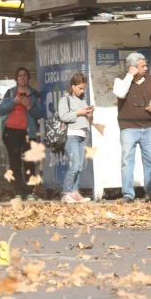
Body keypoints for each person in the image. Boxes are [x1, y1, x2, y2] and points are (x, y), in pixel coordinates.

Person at [113, 52, 151, 204]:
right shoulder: (120, 79)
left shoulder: (149, 79)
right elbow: (120, 93)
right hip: (128, 127)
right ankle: (128, 194)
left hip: (147, 126)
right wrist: (130, 76)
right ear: (133, 67)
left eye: (146, 65)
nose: (146, 68)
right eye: (142, 66)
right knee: (127, 162)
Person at [0, 67, 42, 201]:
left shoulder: (34, 94)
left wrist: (29, 106)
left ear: (28, 78)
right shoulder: (10, 93)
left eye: (25, 76)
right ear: (16, 79)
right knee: (14, 162)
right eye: (20, 76)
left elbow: (39, 113)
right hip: (11, 132)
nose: (22, 78)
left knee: (29, 162)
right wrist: (13, 102)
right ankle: (18, 191)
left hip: (29, 132)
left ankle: (29, 192)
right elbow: (0, 110)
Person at [58, 73, 93, 204]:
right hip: (71, 135)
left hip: (82, 135)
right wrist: (79, 113)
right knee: (74, 165)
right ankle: (66, 193)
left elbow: (85, 118)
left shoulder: (82, 100)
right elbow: (63, 116)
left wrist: (89, 113)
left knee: (79, 166)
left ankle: (75, 191)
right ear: (72, 86)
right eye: (80, 88)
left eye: (83, 88)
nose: (82, 91)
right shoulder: (65, 99)